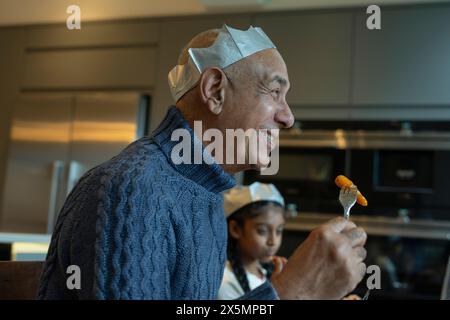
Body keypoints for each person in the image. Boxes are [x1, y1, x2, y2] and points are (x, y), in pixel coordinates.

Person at [38, 24, 367, 300]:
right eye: (274, 92)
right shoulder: (133, 190)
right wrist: (293, 291)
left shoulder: (206, 198)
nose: (288, 117)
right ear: (215, 91)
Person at [218, 182, 288, 300]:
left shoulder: (267, 273)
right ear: (235, 229)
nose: (273, 241)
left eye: (279, 231)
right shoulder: (224, 279)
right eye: (262, 231)